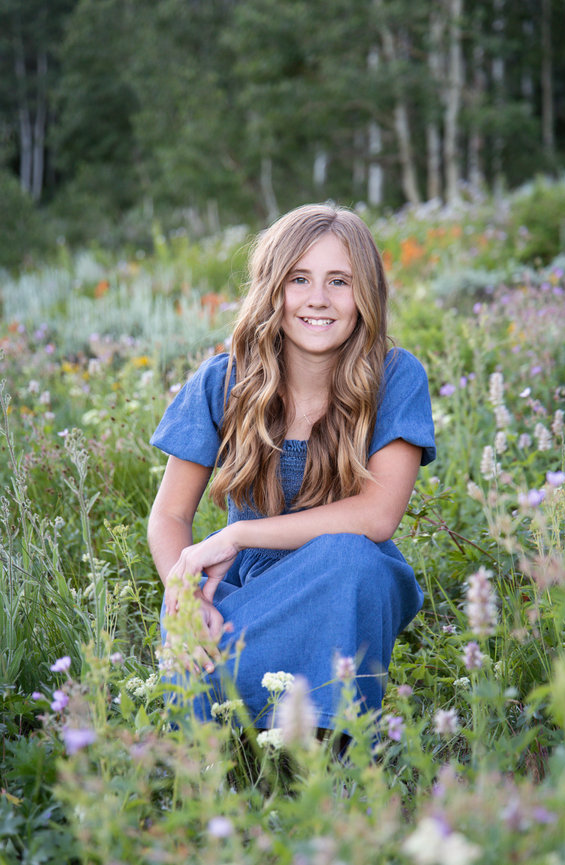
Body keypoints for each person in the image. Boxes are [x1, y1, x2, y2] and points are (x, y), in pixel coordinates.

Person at [148, 203, 435, 731]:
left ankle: (334, 740)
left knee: (353, 558)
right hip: (247, 595)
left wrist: (237, 534)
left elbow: (377, 516)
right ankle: (221, 738)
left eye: (339, 281)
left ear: (367, 294)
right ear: (271, 289)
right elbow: (169, 515)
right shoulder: (224, 382)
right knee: (191, 634)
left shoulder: (394, 377)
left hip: (345, 589)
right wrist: (184, 592)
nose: (318, 298)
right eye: (299, 279)